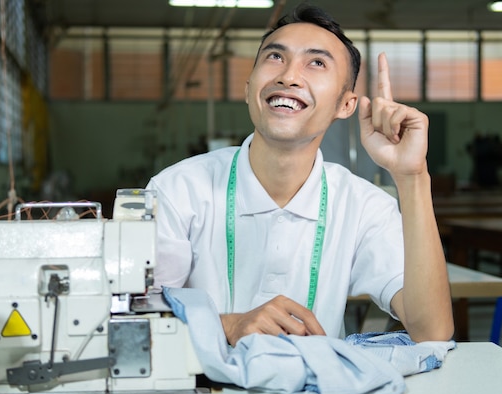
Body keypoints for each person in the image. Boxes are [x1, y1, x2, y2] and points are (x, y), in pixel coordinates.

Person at [146, 4, 454, 347]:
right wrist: (228, 326)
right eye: (275, 57)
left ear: (346, 106)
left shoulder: (364, 206)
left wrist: (412, 176)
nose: (289, 76)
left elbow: (432, 332)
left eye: (317, 62)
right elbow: (137, 323)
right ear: (249, 90)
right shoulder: (176, 191)